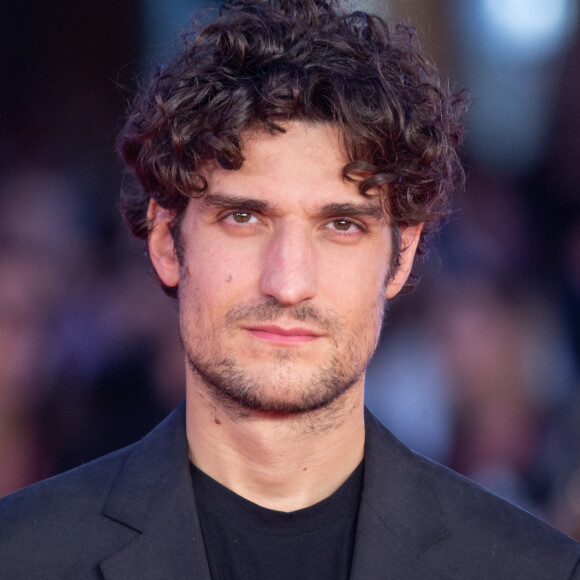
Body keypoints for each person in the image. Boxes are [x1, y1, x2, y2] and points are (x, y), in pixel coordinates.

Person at [1, 0, 579, 577]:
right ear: (163, 239)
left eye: (341, 225)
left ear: (400, 257)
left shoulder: (533, 568)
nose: (288, 282)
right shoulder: (24, 555)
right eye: (244, 218)